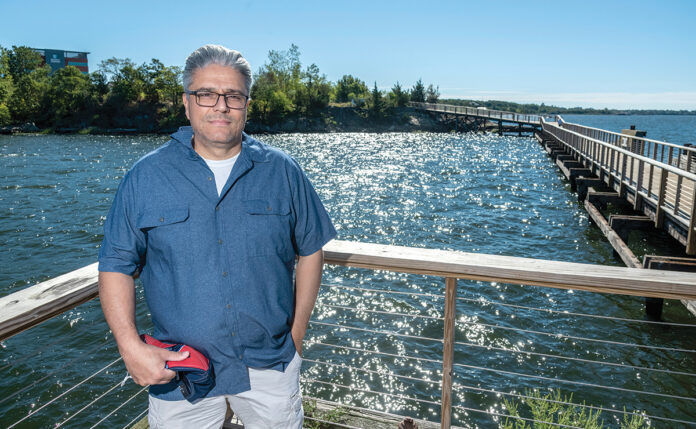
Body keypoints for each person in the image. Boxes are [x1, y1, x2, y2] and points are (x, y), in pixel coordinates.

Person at [98, 44, 336, 429]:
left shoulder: (284, 172)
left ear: (246, 103)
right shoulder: (144, 178)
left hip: (269, 365)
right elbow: (115, 265)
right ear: (187, 103)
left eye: (233, 96)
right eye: (206, 94)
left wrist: (297, 334)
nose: (220, 106)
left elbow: (311, 250)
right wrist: (129, 346)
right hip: (181, 371)